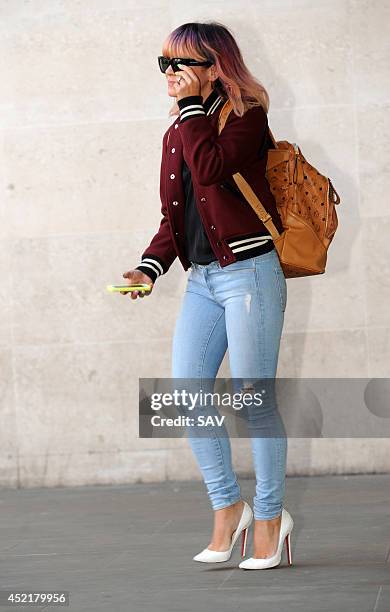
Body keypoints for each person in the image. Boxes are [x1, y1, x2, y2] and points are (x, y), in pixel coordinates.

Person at [122, 21, 294, 570]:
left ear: (214, 65)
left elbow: (213, 167)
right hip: (203, 280)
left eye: (181, 64)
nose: (170, 75)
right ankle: (228, 507)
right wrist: (150, 268)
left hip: (249, 274)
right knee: (188, 395)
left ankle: (270, 515)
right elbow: (178, 214)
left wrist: (193, 108)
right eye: (164, 64)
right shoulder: (179, 130)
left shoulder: (246, 115)